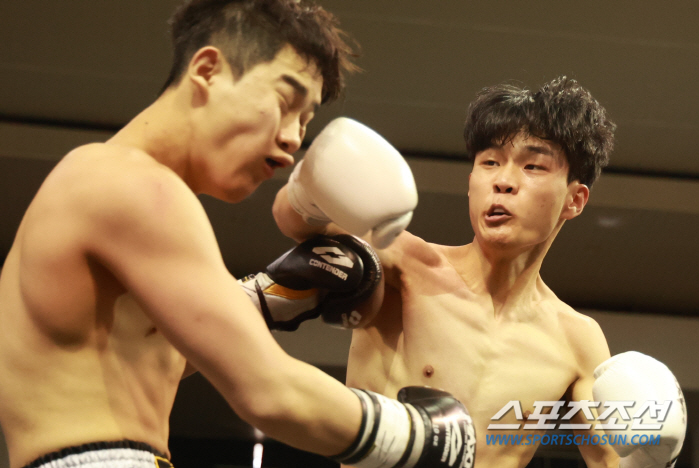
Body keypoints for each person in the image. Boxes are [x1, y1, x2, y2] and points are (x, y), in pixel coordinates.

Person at [0, 1, 477, 468]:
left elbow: (154, 355)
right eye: (285, 103)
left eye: (305, 121)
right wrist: (420, 436)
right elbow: (270, 391)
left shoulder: (111, 184)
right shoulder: (134, 185)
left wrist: (274, 295)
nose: (293, 138)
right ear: (208, 70)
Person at [262, 76, 686, 467]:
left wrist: (652, 459)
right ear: (470, 182)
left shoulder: (577, 339)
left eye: (532, 166)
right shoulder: (405, 264)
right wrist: (307, 182)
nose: (503, 181)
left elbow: (610, 462)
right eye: (490, 162)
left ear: (574, 200)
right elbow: (292, 221)